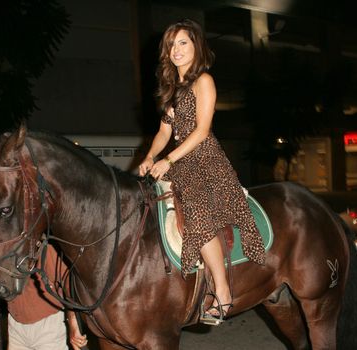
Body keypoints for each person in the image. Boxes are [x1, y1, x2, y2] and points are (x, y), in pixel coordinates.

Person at [138, 18, 266, 323]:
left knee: (196, 209)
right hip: (179, 160)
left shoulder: (203, 81)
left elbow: (201, 131)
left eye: (183, 42)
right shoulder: (171, 88)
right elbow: (163, 134)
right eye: (172, 44)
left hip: (206, 160)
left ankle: (222, 291)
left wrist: (167, 161)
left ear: (196, 46)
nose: (177, 50)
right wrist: (149, 155)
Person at [0, 244, 88, 350]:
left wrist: (73, 325)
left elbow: (68, 287)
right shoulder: (2, 248)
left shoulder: (47, 249)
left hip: (48, 327)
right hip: (15, 325)